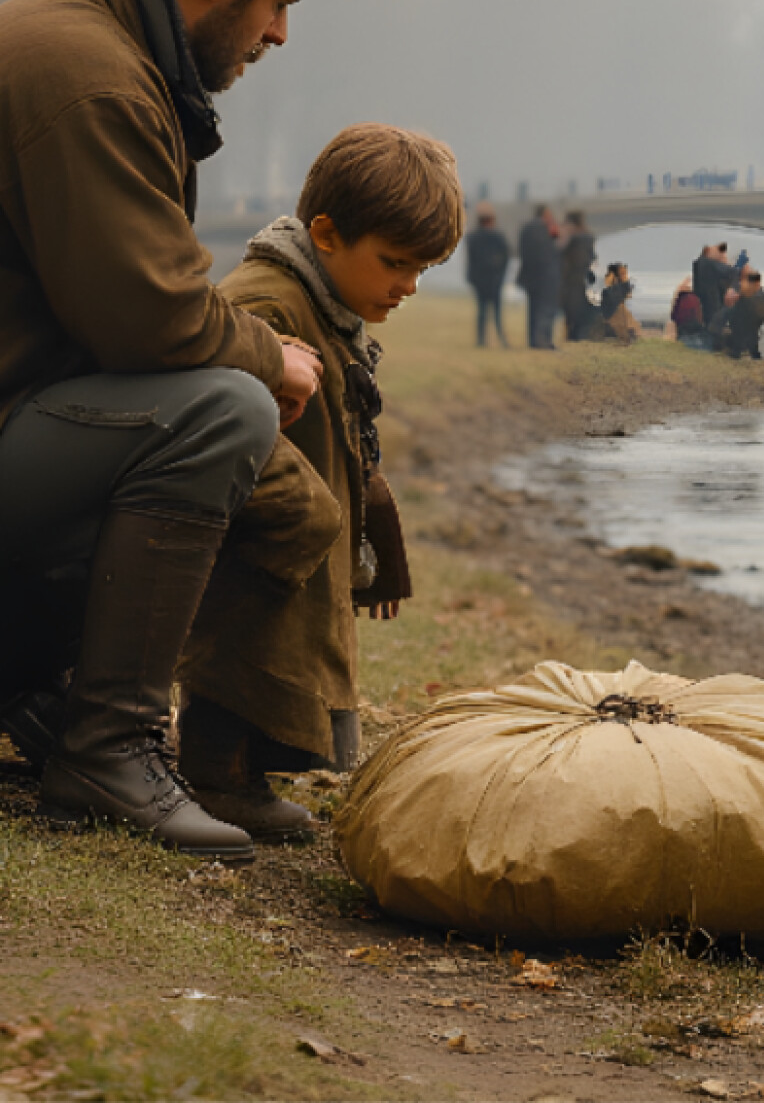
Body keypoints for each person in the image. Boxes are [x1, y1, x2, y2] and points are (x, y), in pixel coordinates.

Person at [0, 0, 355, 861]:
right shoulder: (88, 75)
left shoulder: (84, 40)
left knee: (226, 408)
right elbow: (149, 321)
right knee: (224, 410)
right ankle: (106, 747)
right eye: (277, 2)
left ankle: (68, 698)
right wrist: (273, 357)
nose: (280, 32)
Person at [176, 124, 463, 840]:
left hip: (299, 543)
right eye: (396, 262)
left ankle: (249, 776)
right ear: (327, 234)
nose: (408, 285)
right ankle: (217, 780)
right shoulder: (265, 303)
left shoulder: (331, 303)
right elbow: (213, 407)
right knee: (241, 656)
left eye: (423, 269)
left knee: (286, 654)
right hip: (263, 538)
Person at [465, 202, 510, 347]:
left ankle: (481, 340)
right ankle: (501, 339)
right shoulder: (498, 237)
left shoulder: (473, 237)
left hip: (480, 280)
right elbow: (505, 258)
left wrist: (471, 277)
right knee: (496, 312)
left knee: (482, 311)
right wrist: (501, 275)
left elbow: (471, 260)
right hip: (494, 280)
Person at [517, 205, 561, 349]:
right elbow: (550, 251)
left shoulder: (526, 228)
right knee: (545, 309)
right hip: (544, 276)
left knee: (533, 310)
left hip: (529, 275)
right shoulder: (544, 228)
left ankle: (533, 341)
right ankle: (543, 341)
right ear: (545, 214)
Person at [559, 209, 597, 342]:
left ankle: (573, 335)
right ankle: (579, 335)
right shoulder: (589, 237)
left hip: (573, 280)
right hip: (584, 279)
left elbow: (562, 256)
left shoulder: (574, 239)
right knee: (582, 312)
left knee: (572, 311)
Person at [722, 269, 764, 360]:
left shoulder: (745, 292)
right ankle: (754, 354)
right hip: (761, 313)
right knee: (752, 331)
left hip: (751, 312)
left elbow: (735, 311)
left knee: (740, 329)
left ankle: (737, 352)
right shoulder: (762, 292)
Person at [599, 262, 641, 343]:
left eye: (625, 273)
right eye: (622, 273)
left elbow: (626, 295)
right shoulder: (609, 289)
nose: (625, 276)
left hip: (618, 319)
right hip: (611, 319)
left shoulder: (621, 287)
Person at [669, 276, 709, 349]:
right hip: (696, 333)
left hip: (685, 333)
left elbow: (673, 315)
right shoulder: (696, 300)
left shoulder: (682, 301)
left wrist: (679, 289)